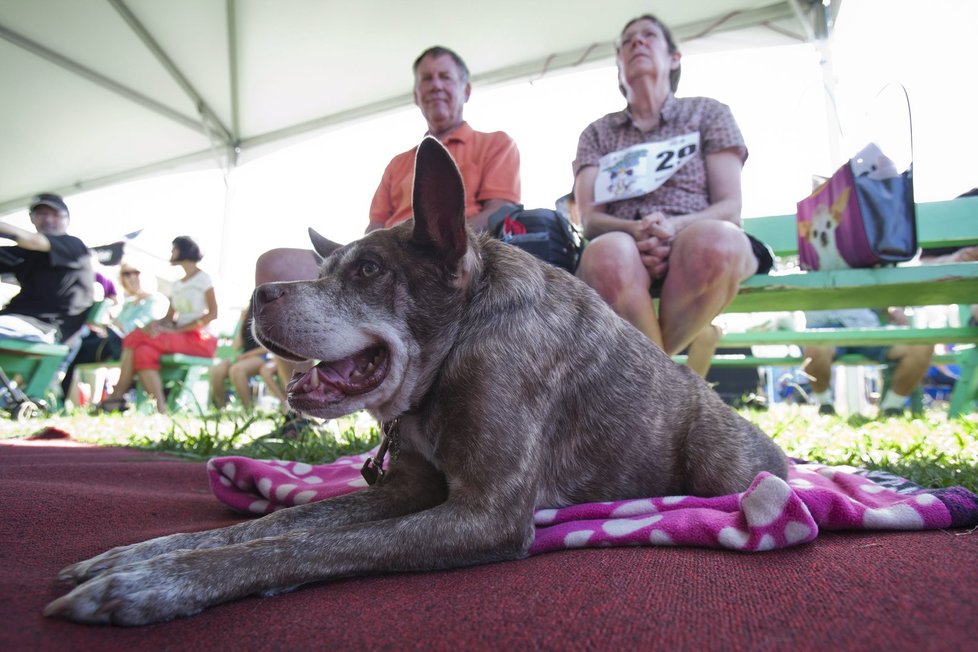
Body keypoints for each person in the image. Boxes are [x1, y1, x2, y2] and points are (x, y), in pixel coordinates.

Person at [571, 15, 773, 377]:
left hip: (696, 232)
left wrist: (672, 227)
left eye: (648, 36)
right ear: (618, 62)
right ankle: (670, 384)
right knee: (607, 254)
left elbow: (730, 208)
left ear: (674, 57)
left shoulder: (709, 113)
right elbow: (590, 219)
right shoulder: (597, 134)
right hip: (625, 245)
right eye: (627, 40)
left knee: (716, 241)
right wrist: (637, 231)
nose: (637, 43)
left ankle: (652, 382)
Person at [256, 44, 522, 285]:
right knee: (274, 266)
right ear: (417, 95)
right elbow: (375, 228)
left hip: (454, 264)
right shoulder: (398, 164)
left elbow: (501, 210)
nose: (436, 85)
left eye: (445, 77)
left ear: (466, 91)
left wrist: (429, 245)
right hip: (384, 263)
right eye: (427, 79)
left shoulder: (496, 144)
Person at [98, 237, 218, 413]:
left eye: (173, 249)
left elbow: (213, 314)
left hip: (200, 339)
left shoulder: (204, 279)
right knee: (142, 352)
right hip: (179, 336)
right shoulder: (177, 284)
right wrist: (156, 324)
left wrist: (180, 329)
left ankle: (117, 395)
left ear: (184, 250)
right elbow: (170, 316)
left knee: (133, 337)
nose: (171, 253)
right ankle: (161, 411)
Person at [0, 193, 94, 348]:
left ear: (67, 219)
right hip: (15, 320)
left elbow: (33, 240)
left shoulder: (74, 246)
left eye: (55, 214)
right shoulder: (25, 252)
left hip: (46, 328)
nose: (48, 220)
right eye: (42, 214)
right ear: (32, 218)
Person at [64, 261, 167, 401]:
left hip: (134, 346)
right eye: (126, 274)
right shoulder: (128, 304)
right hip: (113, 343)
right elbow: (115, 326)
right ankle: (62, 396)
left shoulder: (157, 299)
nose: (132, 277)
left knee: (80, 345)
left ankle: (115, 397)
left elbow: (142, 328)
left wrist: (113, 324)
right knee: (75, 344)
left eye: (136, 272)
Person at [803, 308, 933, 417]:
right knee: (815, 347)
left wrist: (891, 308)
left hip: (869, 326)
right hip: (824, 325)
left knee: (921, 346)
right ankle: (825, 407)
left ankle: (891, 409)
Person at [210, 297, 285, 412]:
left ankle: (247, 409)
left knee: (237, 370)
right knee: (216, 370)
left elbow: (271, 346)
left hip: (263, 356)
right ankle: (221, 408)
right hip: (245, 356)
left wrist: (248, 355)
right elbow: (236, 346)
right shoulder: (247, 317)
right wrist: (241, 321)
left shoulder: (269, 316)